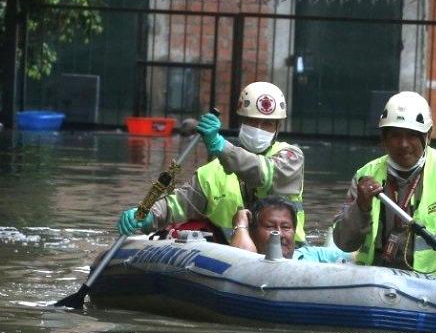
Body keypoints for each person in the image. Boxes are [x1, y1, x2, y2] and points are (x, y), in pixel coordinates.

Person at [116, 81, 308, 243]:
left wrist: (219, 145)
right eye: (251, 122)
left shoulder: (290, 157)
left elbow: (262, 173)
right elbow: (178, 204)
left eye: (266, 123)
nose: (258, 128)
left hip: (286, 253)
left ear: (277, 128)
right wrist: (147, 215)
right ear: (241, 122)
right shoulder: (212, 172)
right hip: (233, 259)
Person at [332, 91, 436, 280]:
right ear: (383, 138)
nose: (403, 144)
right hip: (374, 280)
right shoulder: (364, 177)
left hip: (434, 285)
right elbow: (344, 243)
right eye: (395, 135)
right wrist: (361, 207)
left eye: (412, 135)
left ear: (428, 136)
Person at [230, 196, 350, 262]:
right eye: (270, 226)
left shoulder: (309, 255)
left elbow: (355, 257)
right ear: (252, 232)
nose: (279, 233)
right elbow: (240, 261)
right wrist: (241, 225)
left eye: (286, 227)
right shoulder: (252, 260)